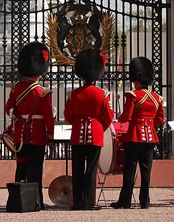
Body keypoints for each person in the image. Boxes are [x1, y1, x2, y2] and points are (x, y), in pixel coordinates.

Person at [4, 42, 54, 209]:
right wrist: (51, 135)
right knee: (36, 170)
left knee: (21, 167)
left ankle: (17, 199)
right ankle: (36, 201)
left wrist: (18, 117)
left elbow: (8, 109)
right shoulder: (43, 92)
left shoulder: (16, 89)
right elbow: (48, 117)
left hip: (20, 135)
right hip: (38, 135)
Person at [111, 57, 164, 209]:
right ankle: (145, 201)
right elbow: (159, 119)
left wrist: (119, 116)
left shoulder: (133, 96)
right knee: (146, 171)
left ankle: (125, 200)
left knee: (130, 170)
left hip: (134, 135)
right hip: (150, 137)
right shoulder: (156, 98)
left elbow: (126, 117)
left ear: (137, 80)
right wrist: (148, 123)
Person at [64, 48, 114, 211]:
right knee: (91, 169)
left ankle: (78, 202)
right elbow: (108, 116)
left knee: (77, 169)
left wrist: (78, 123)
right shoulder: (102, 95)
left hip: (77, 135)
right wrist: (99, 127)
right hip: (95, 134)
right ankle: (90, 202)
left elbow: (68, 116)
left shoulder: (73, 94)